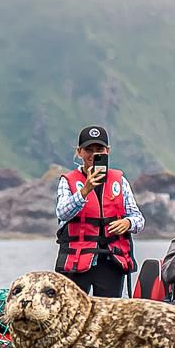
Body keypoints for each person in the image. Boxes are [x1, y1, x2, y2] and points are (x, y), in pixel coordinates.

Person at [54, 125, 145, 297]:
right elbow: (62, 213)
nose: (94, 154)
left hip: (112, 261)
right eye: (89, 149)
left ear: (108, 151)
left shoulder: (120, 181)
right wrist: (84, 191)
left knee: (109, 317)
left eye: (99, 149)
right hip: (76, 262)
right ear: (80, 152)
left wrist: (127, 223)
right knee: (72, 315)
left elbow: (138, 219)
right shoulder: (68, 181)